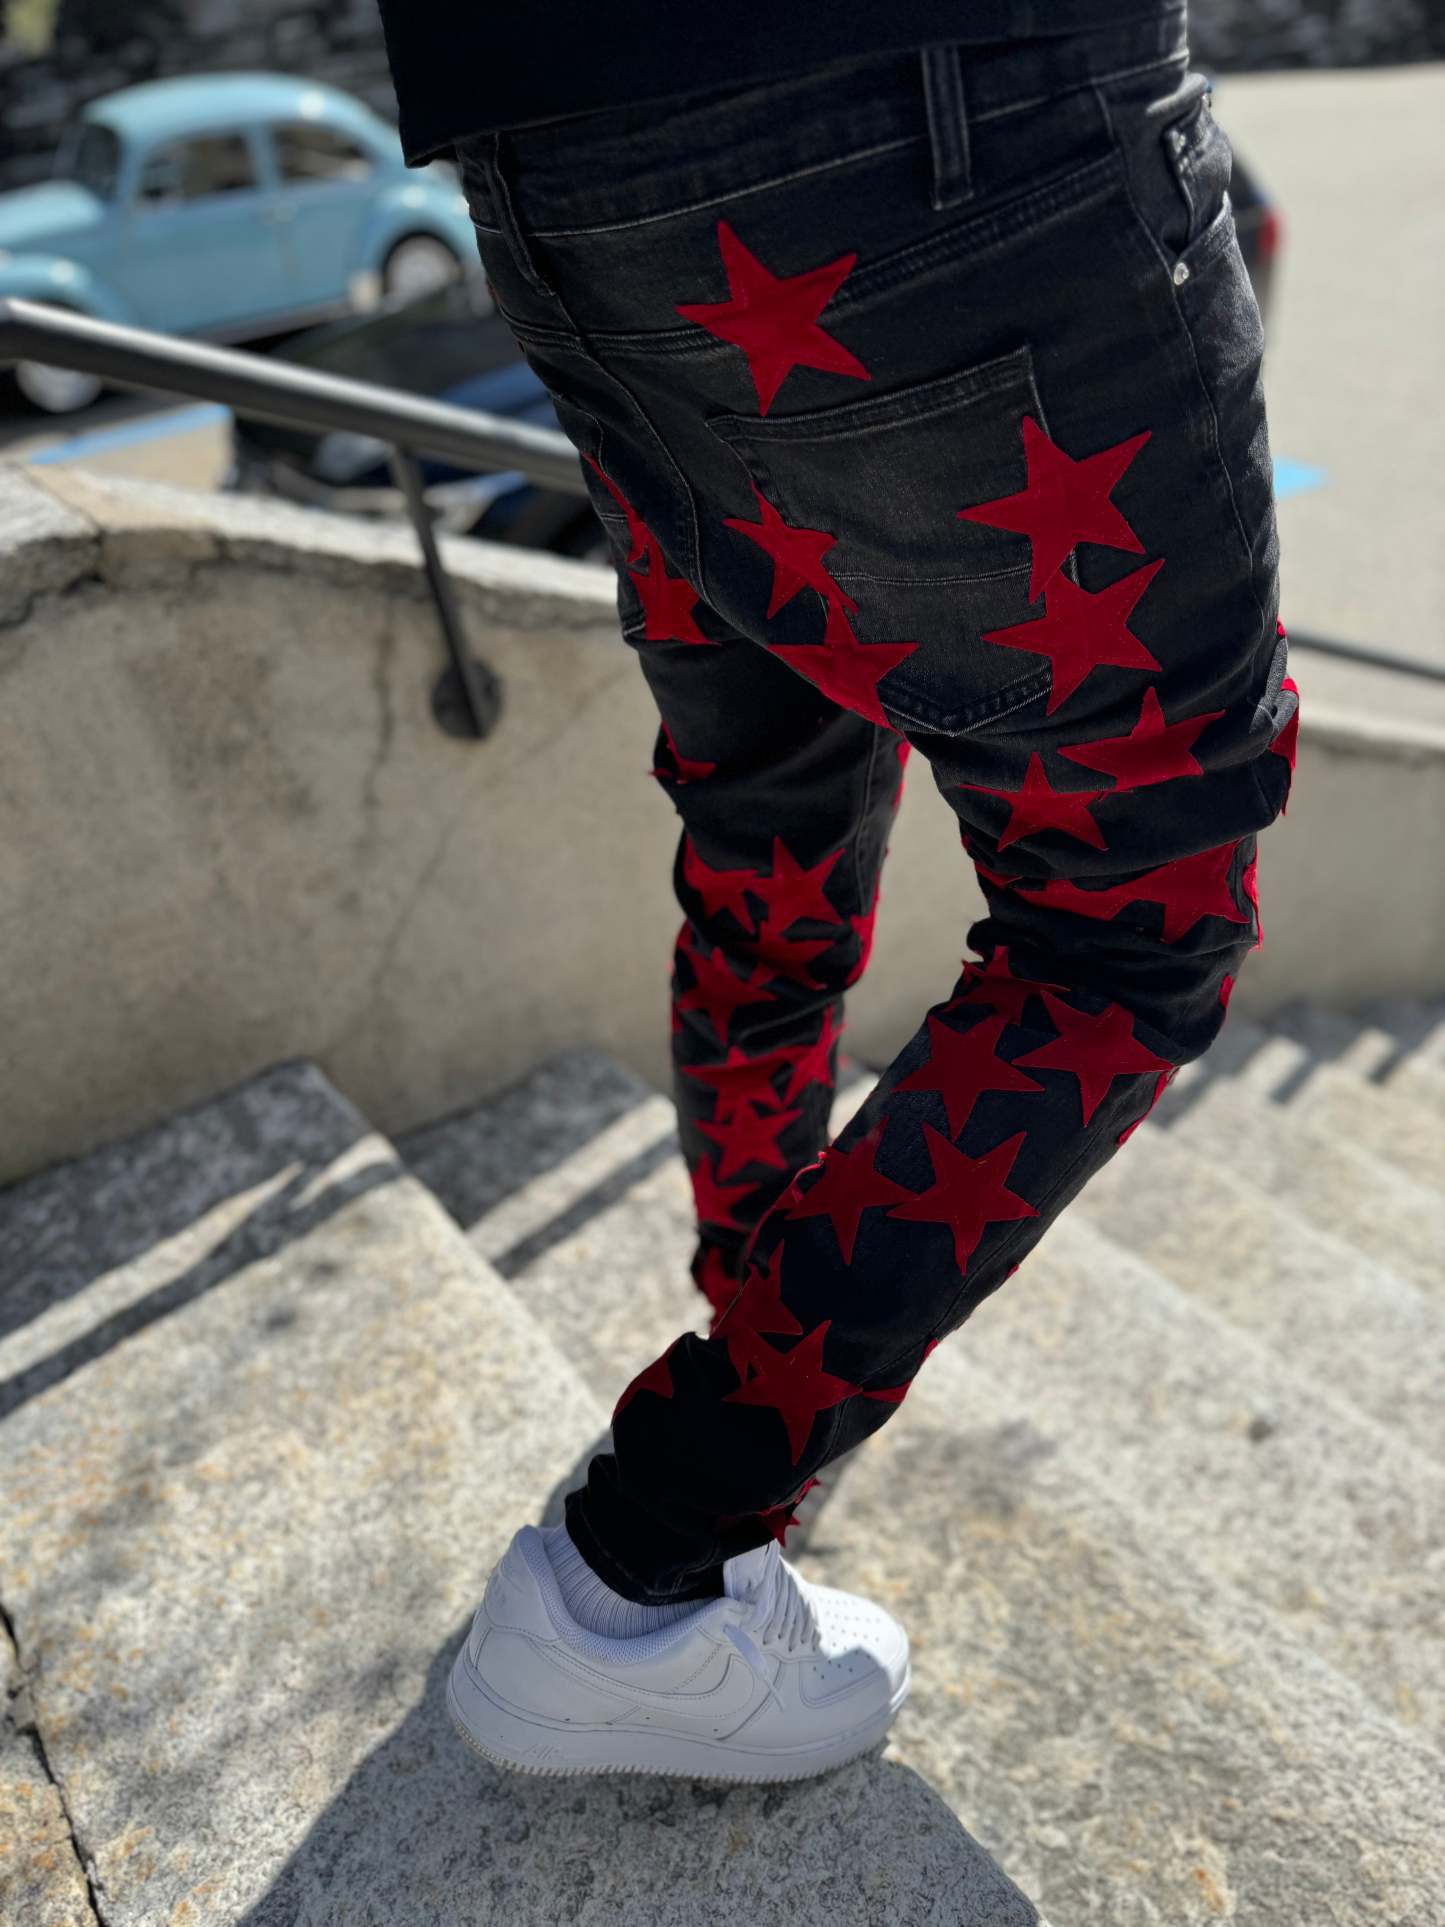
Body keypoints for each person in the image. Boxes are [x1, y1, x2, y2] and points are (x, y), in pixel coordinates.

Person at [375, 0, 1298, 1784]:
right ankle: (641, 1562)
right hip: (944, 99)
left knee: (765, 845)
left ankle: (764, 1336)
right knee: (1127, 924)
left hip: (553, 156)